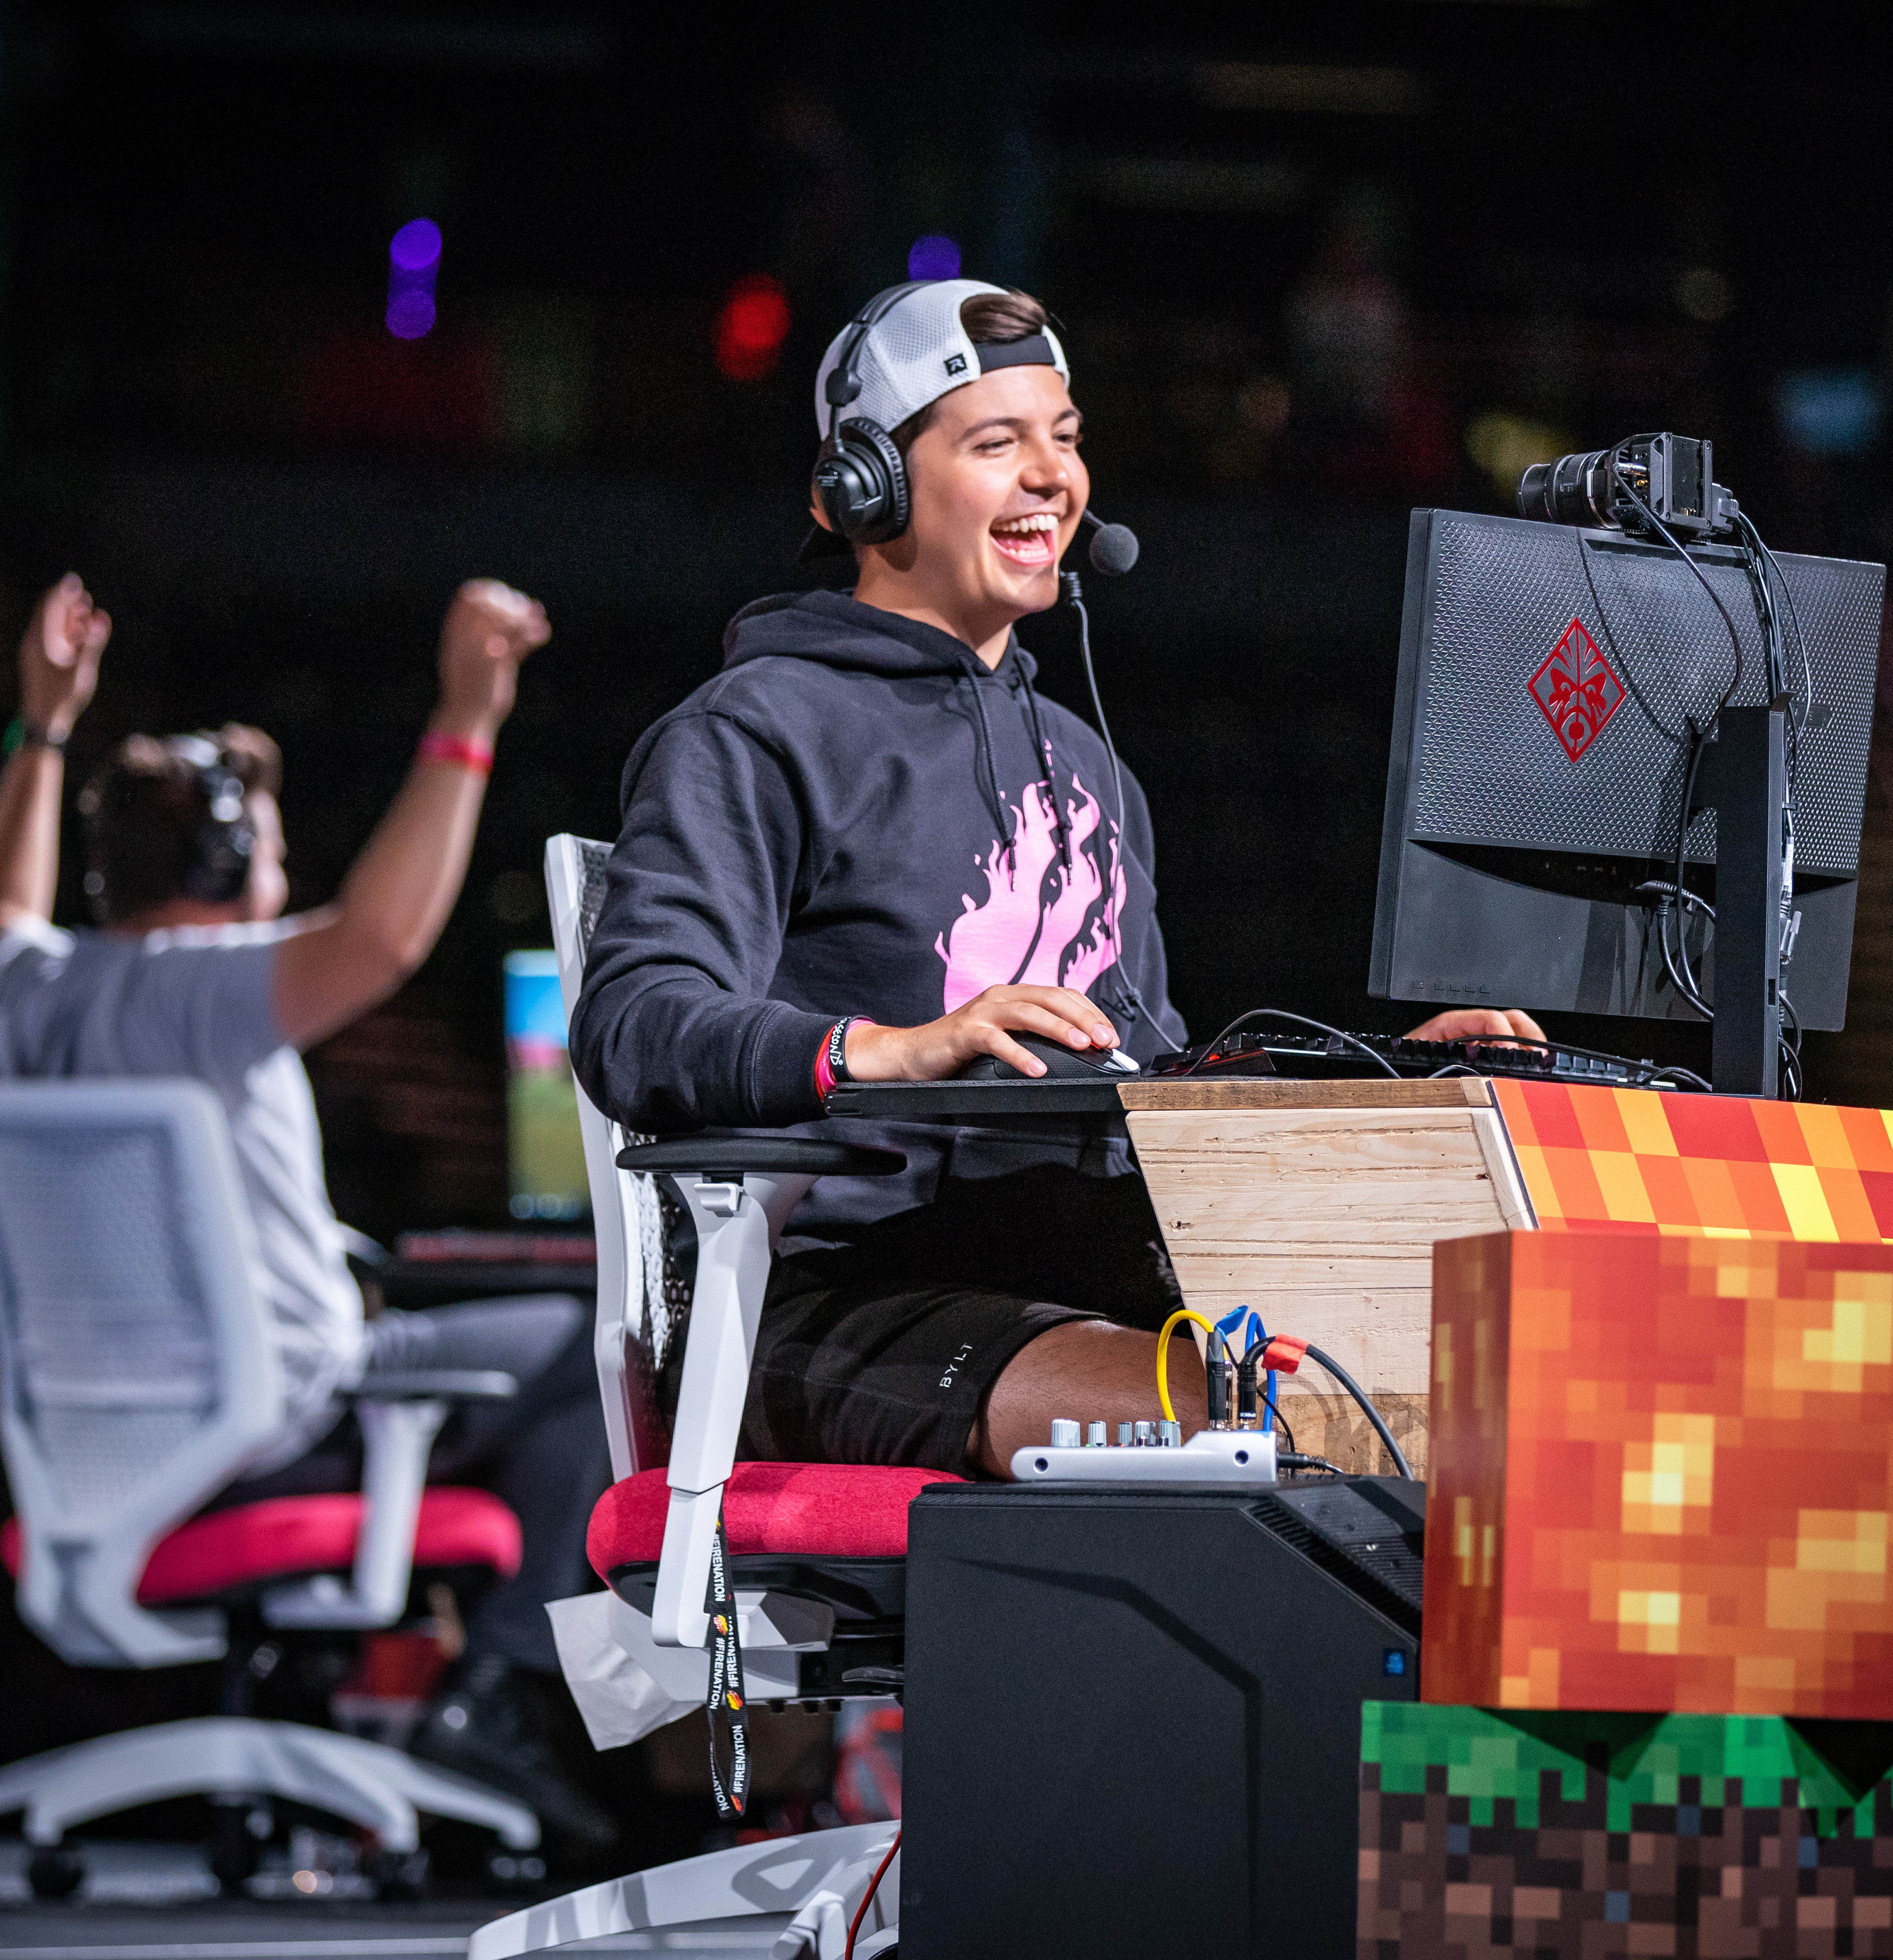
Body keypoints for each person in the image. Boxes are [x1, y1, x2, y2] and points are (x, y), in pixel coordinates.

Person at [572, 279, 1537, 1480]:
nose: (1051, 475)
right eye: (996, 442)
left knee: (1480, 1399)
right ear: (863, 487)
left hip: (1075, 1287)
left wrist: (1376, 1083)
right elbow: (634, 1022)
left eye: (1066, 439)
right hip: (838, 1307)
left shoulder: (1092, 771)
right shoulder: (754, 729)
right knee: (1284, 1433)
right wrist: (887, 1045)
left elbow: (1149, 1080)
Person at [0, 572, 615, 1852]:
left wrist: (42, 723)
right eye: (267, 844)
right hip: (286, 1423)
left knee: (516, 1335)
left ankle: (427, 1694)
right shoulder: (201, 987)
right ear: (221, 863)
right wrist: (466, 717)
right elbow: (380, 939)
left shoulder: (32, 992)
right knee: (604, 1340)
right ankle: (502, 1693)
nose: (283, 867)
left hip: (116, 1440)